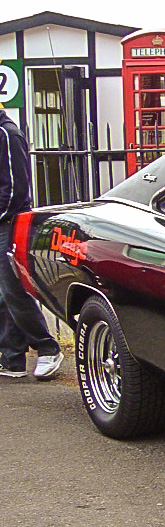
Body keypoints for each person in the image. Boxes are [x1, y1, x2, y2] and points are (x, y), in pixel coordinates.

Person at [0, 107, 63, 380]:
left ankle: (48, 347)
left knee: (14, 290)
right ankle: (12, 360)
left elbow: (14, 189)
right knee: (4, 293)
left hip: (10, 223)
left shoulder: (7, 134)